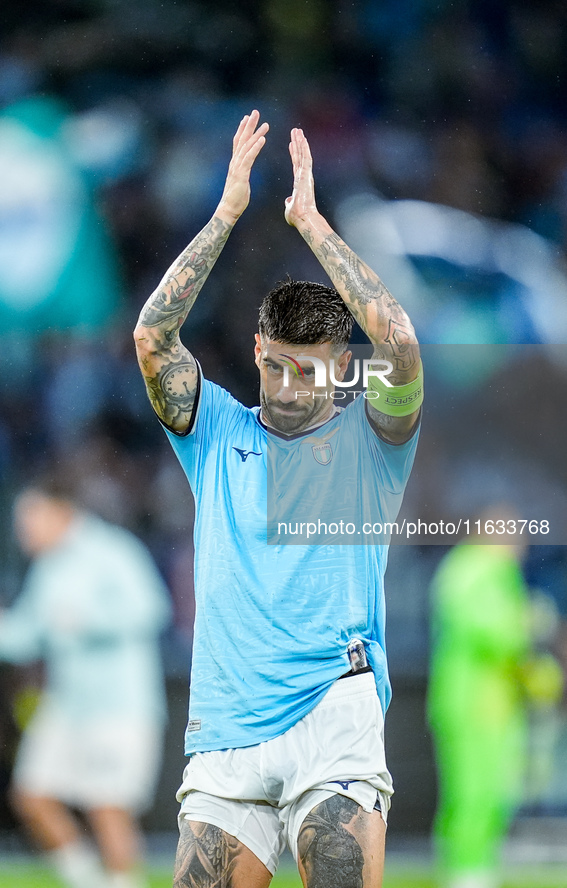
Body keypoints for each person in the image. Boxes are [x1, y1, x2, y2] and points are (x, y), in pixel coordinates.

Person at [133, 110, 423, 888]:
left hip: (333, 715)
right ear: (258, 351)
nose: (294, 387)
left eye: (314, 370)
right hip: (225, 728)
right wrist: (226, 213)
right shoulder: (214, 428)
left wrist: (311, 224)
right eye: (279, 366)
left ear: (339, 366)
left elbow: (397, 343)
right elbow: (152, 340)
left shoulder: (372, 442)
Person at [0, 476, 172, 888]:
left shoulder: (112, 550)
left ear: (60, 512)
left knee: (108, 806)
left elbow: (151, 609)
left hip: (120, 706)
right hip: (67, 705)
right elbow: (29, 634)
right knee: (32, 795)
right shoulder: (49, 566)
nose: (22, 530)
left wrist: (87, 622)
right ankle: (89, 882)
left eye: (29, 519)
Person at [427, 510, 563, 888]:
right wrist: (532, 623)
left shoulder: (489, 572)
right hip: (473, 705)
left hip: (493, 706)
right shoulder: (471, 569)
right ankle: (465, 872)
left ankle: (476, 868)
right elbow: (498, 632)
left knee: (491, 793)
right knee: (472, 793)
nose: (520, 544)